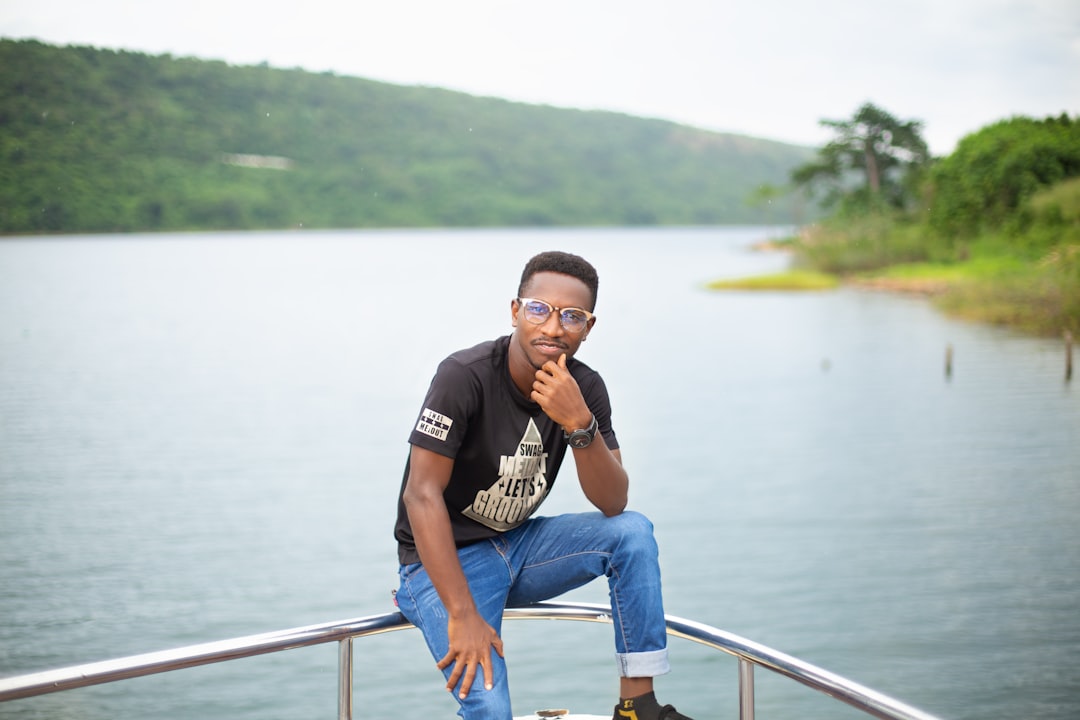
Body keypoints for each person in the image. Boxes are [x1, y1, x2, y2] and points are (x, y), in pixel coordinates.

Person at [393, 251, 693, 720]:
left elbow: (613, 502)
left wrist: (580, 425)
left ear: (588, 328)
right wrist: (462, 612)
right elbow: (421, 494)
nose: (553, 328)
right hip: (441, 563)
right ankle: (429, 601)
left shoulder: (585, 388)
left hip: (518, 546)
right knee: (489, 704)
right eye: (539, 309)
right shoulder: (464, 376)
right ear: (515, 311)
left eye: (572, 316)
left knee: (632, 532)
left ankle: (638, 707)